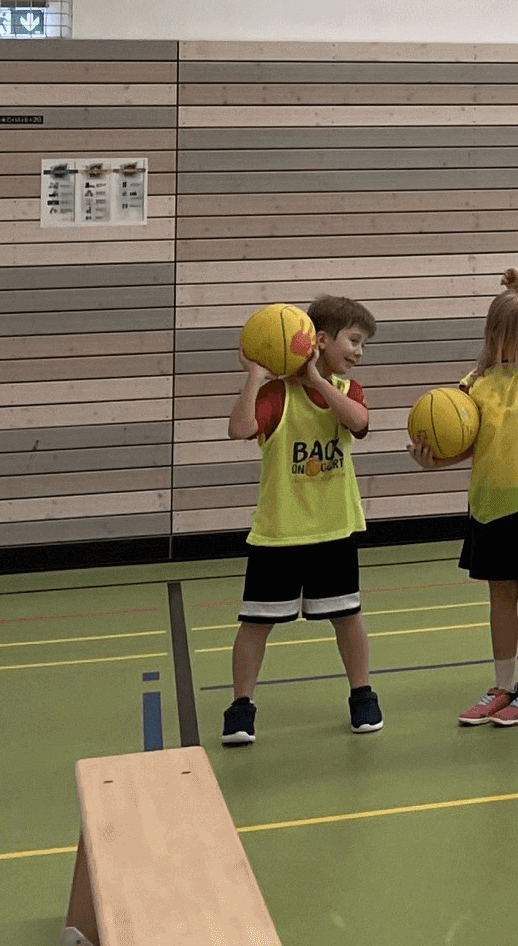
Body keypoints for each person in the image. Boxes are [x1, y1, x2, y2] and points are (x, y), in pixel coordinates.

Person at [411, 269, 518, 727]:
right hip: (489, 505)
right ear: (500, 334)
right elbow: (470, 445)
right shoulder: (473, 384)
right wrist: (435, 461)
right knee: (501, 597)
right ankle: (504, 686)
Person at [220, 294, 379, 745]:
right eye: (353, 340)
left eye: (363, 344)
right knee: (256, 624)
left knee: (348, 618)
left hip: (334, 529)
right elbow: (239, 429)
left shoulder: (347, 391)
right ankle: (241, 705)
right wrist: (255, 376)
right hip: (279, 532)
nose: (359, 352)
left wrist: (317, 381)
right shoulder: (276, 396)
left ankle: (362, 694)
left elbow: (358, 423)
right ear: (320, 340)